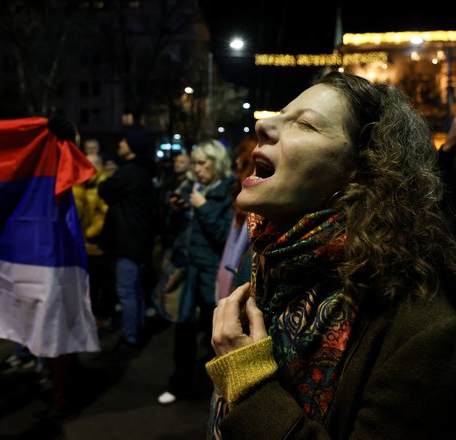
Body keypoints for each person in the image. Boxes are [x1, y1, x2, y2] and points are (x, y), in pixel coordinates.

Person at [206, 71, 456, 439]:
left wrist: (250, 383)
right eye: (279, 114)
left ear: (364, 169)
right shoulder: (269, 260)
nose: (263, 123)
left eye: (305, 125)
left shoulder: (423, 327)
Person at [157, 139, 234, 405]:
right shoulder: (190, 187)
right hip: (187, 271)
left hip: (212, 275)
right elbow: (171, 230)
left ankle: (219, 393)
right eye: (195, 163)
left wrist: (203, 206)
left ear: (217, 163)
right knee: (183, 333)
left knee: (214, 337)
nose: (197, 169)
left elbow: (224, 234)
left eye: (203, 163)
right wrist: (175, 212)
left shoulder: (227, 192)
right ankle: (179, 385)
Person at [98, 128, 157, 354]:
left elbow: (105, 188)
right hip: (138, 239)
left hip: (127, 239)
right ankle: (137, 329)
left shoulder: (130, 173)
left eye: (124, 141)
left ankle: (129, 337)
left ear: (132, 146)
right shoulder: (142, 172)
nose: (120, 144)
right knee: (135, 289)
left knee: (126, 291)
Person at [73, 152, 117, 330]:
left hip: (98, 246)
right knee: (88, 287)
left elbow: (105, 215)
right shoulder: (83, 184)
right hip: (84, 246)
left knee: (103, 284)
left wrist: (90, 233)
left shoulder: (103, 184)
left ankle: (105, 315)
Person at [215, 135, 256, 301]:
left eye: (242, 156)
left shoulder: (253, 203)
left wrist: (203, 207)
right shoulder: (237, 195)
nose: (237, 161)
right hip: (229, 273)